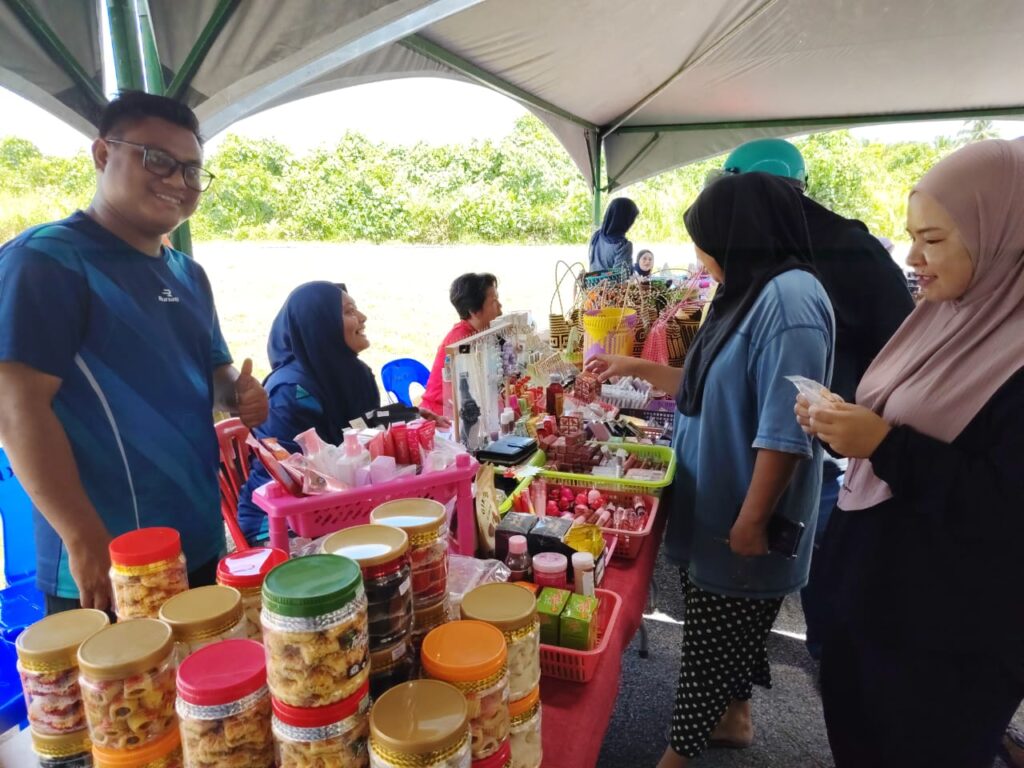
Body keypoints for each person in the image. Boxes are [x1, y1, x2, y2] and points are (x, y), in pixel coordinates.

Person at [588, 173, 834, 767]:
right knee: (729, 628)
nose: (699, 256)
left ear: (739, 234)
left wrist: (752, 520)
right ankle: (733, 717)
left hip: (743, 509)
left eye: (704, 243)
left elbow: (786, 430)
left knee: (710, 644)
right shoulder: (751, 289)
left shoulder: (790, 302)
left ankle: (678, 754)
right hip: (722, 499)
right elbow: (710, 383)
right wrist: (633, 367)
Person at [797, 138, 1024, 768]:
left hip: (950, 639)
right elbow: (903, 419)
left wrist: (882, 443)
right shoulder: (945, 314)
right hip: (872, 599)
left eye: (934, 239)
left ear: (1004, 238)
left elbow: (1005, 505)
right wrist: (845, 424)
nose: (911, 257)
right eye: (911, 236)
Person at [0, 91, 268, 614]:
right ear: (103, 154)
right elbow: (15, 408)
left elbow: (214, 371)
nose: (178, 181)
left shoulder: (188, 274)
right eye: (158, 160)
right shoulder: (48, 260)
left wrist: (237, 393)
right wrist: (82, 535)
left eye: (192, 171)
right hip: (108, 557)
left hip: (197, 540)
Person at [714, 137, 914, 657]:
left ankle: (833, 658)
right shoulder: (782, 243)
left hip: (836, 437)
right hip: (823, 427)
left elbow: (903, 341)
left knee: (824, 561)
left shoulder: (818, 265)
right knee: (793, 558)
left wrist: (868, 422)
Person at [236, 282, 379, 544]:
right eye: (349, 311)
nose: (362, 317)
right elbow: (296, 478)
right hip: (281, 518)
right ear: (321, 325)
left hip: (343, 502)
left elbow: (368, 434)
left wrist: (408, 420)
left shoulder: (357, 374)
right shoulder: (291, 392)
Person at [420, 273, 502, 417]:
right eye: (494, 301)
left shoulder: (479, 334)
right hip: (441, 417)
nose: (500, 306)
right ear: (474, 311)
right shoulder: (461, 342)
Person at [587, 197, 639, 272]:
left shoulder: (597, 235)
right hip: (610, 280)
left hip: (591, 279)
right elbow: (620, 276)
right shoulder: (623, 246)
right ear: (626, 220)